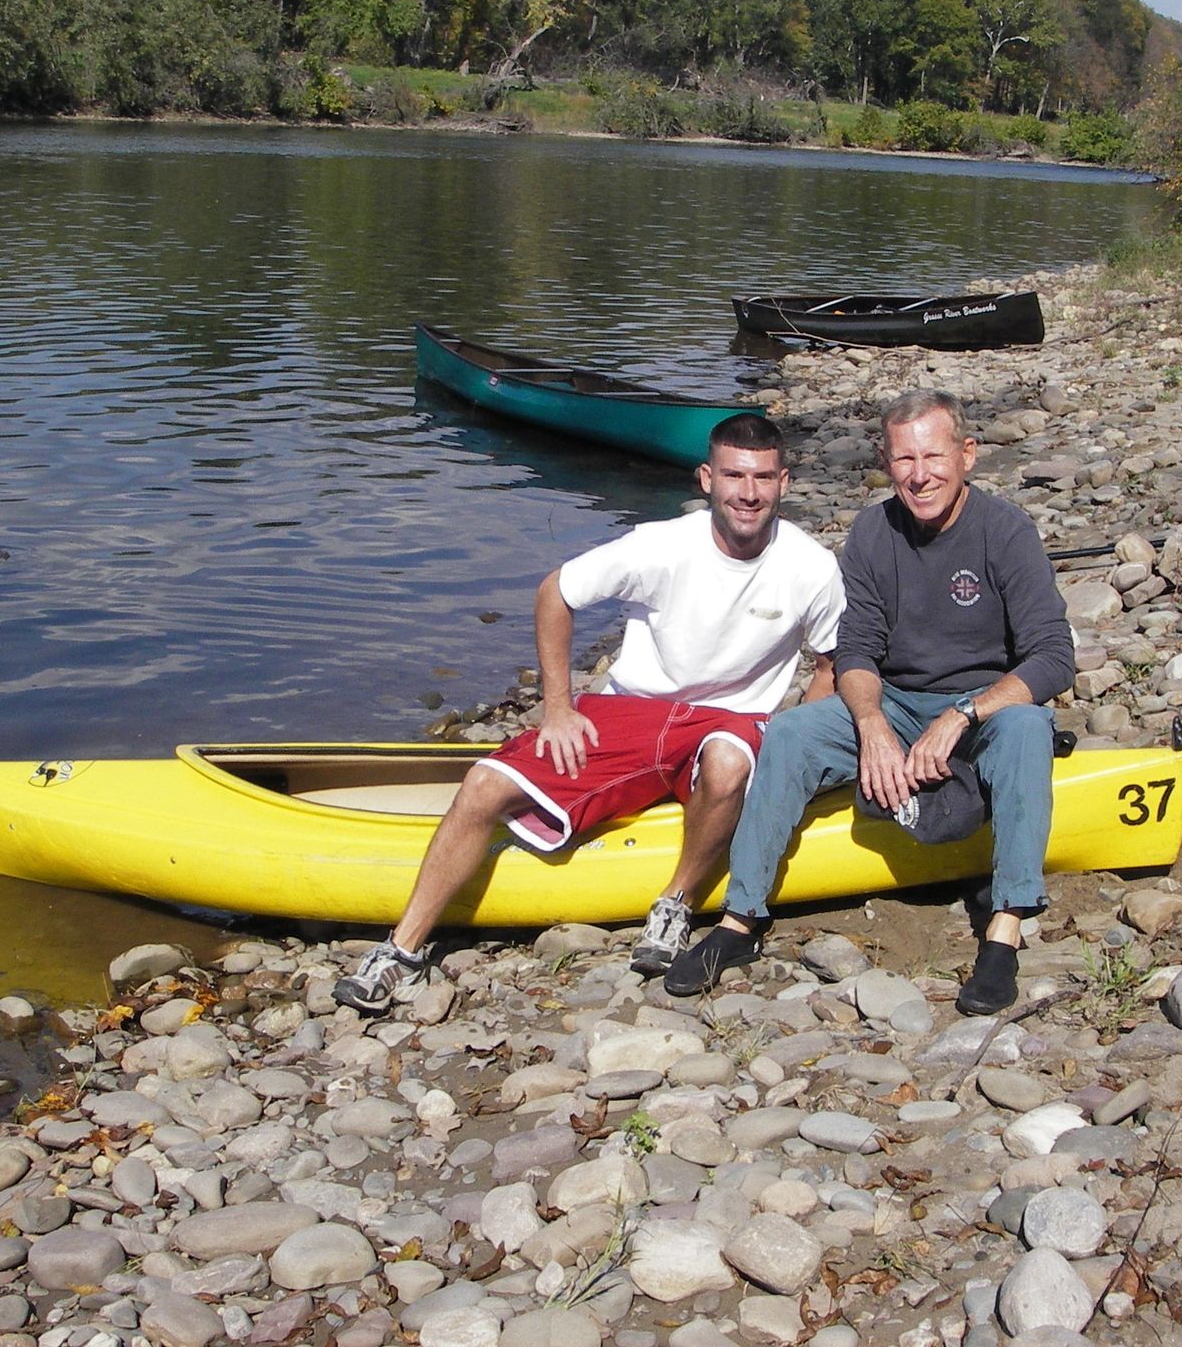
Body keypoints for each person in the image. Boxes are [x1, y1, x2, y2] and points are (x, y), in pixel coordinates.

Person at [334, 413, 844, 1014]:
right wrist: (556, 708)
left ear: (784, 482)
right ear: (707, 478)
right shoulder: (659, 545)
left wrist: (790, 753)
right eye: (734, 476)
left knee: (730, 762)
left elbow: (833, 664)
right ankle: (402, 950)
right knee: (482, 785)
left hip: (729, 722)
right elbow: (557, 592)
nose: (748, 493)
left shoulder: (811, 567)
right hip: (631, 711)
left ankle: (675, 904)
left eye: (762, 478)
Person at [666, 389, 1075, 1016]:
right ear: (887, 463)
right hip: (895, 699)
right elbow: (854, 652)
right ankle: (741, 918)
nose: (920, 475)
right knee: (795, 733)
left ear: (967, 455)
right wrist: (873, 725)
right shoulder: (873, 531)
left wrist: (962, 715)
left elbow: (1051, 657)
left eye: (934, 457)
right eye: (904, 460)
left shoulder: (1005, 531)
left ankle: (1004, 929)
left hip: (984, 707)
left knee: (1025, 729)